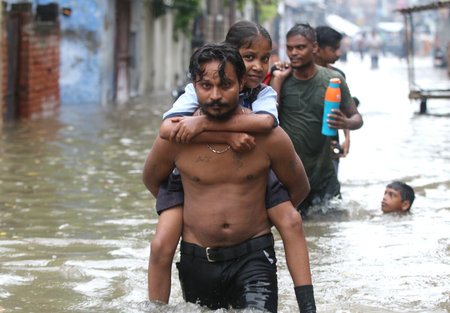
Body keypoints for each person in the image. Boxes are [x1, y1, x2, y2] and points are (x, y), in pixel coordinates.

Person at [144, 41, 316, 312]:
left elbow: (299, 187)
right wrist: (188, 212)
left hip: (254, 258)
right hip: (197, 260)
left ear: (241, 84)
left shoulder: (268, 137)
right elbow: (152, 180)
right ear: (193, 86)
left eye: (226, 85)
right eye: (206, 86)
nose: (215, 95)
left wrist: (260, 215)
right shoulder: (177, 138)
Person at [270, 23, 363, 216]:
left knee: (330, 232)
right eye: (289, 48)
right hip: (289, 179)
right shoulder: (280, 79)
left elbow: (357, 118)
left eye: (300, 47)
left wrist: (346, 124)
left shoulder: (333, 80)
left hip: (324, 178)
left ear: (314, 48)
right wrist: (277, 81)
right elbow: (269, 120)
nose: (293, 53)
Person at [315, 25, 357, 174]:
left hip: (331, 141)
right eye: (334, 49)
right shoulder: (297, 74)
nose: (339, 53)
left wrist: (347, 138)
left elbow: (345, 109)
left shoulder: (338, 76)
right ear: (317, 49)